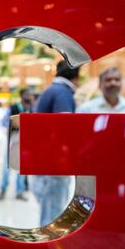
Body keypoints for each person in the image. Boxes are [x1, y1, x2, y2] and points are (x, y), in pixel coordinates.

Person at [32, 60, 80, 226]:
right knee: (53, 213)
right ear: (76, 77)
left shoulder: (51, 90)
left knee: (49, 207)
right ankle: (50, 242)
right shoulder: (62, 93)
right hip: (55, 162)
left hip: (44, 158)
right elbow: (64, 129)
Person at [0, 88, 34, 201]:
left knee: (22, 168)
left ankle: (20, 191)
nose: (29, 96)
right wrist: (13, 124)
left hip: (25, 142)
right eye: (27, 94)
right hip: (13, 141)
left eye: (30, 95)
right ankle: (3, 189)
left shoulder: (31, 109)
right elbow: (3, 122)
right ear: (22, 95)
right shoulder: (13, 108)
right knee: (7, 166)